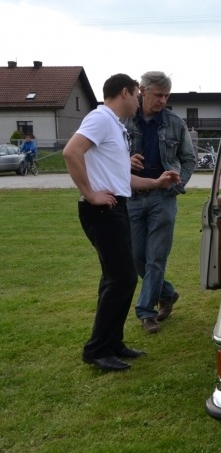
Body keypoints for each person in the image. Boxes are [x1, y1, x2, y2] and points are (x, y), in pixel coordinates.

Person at [64, 74, 180, 372]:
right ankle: (97, 349)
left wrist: (156, 182)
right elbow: (70, 151)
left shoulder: (113, 126)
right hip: (103, 211)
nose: (139, 100)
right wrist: (89, 193)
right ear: (125, 92)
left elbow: (122, 178)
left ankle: (113, 344)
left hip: (116, 208)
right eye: (136, 95)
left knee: (115, 279)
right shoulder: (101, 118)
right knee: (122, 278)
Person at [123, 71, 196, 334]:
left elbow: (189, 159)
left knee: (156, 258)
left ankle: (146, 312)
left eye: (166, 95)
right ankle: (167, 293)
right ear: (142, 91)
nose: (162, 100)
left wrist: (178, 183)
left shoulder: (175, 123)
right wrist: (124, 161)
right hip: (131, 197)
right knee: (136, 257)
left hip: (163, 199)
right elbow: (106, 154)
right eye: (158, 95)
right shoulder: (123, 120)